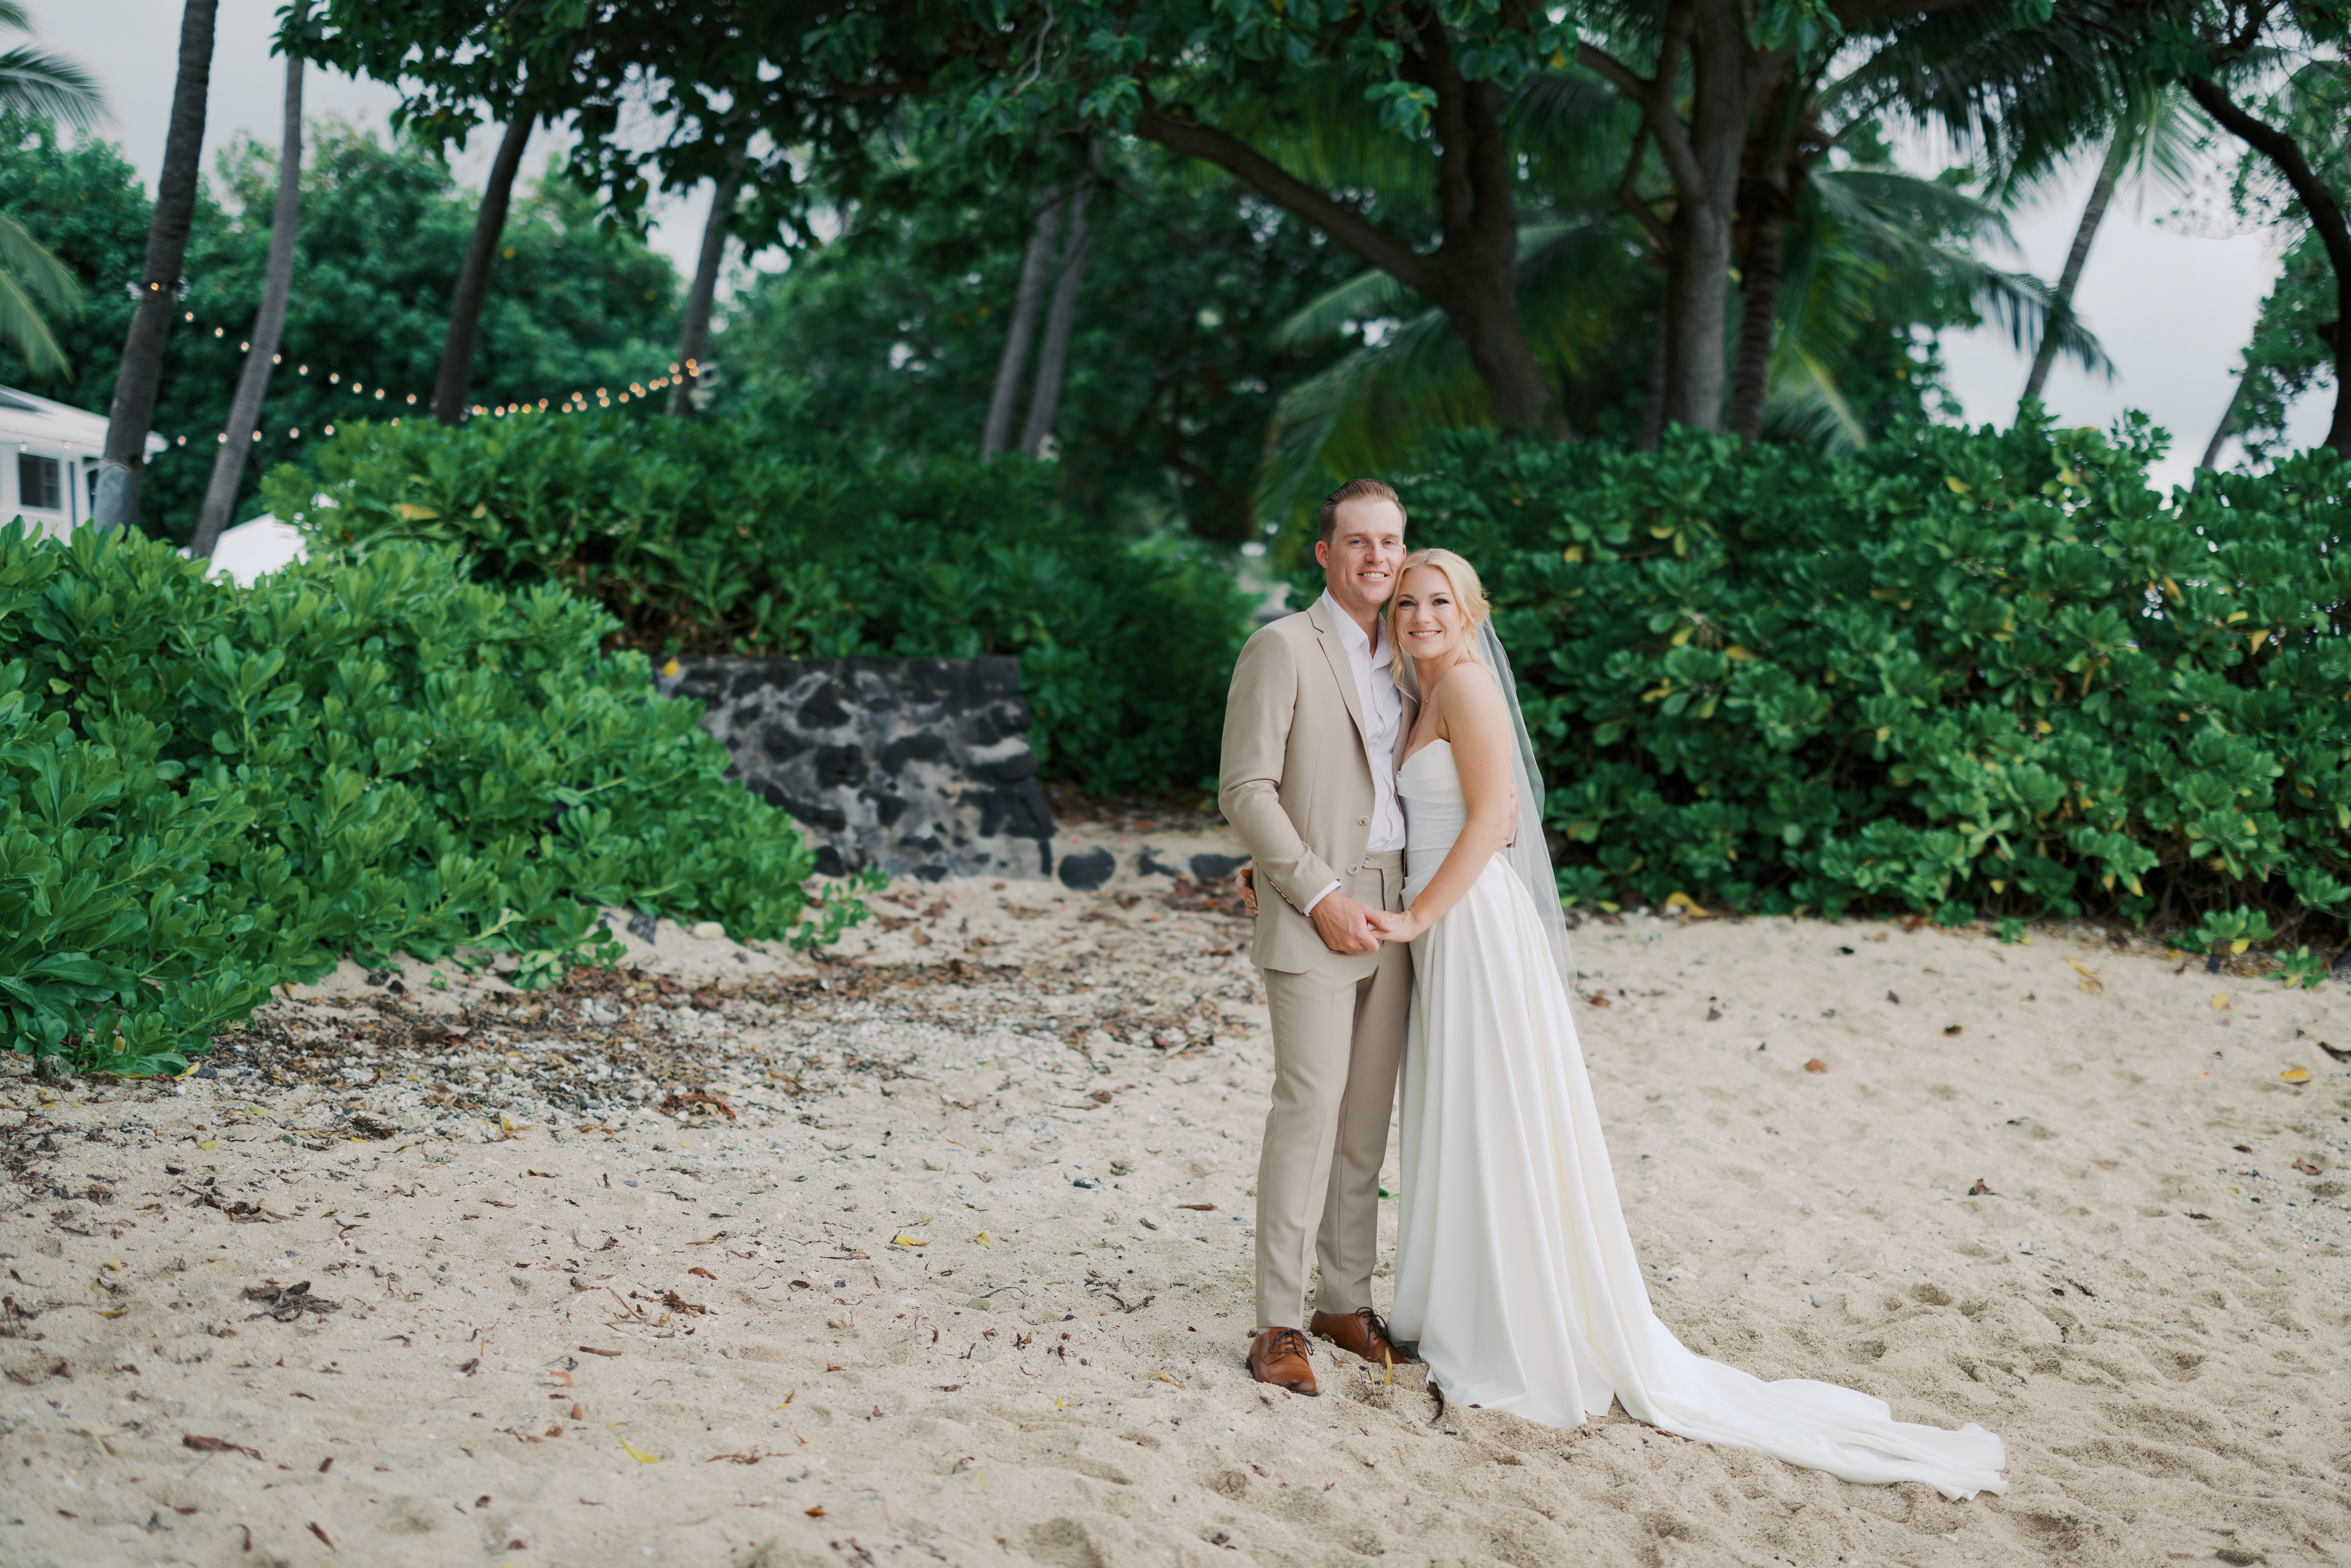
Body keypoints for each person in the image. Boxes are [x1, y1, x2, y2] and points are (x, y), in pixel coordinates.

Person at [1354, 546, 2007, 1499]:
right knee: (1462, 1114)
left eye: (1438, 601)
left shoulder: (1465, 689)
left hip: (1474, 927)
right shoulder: (1418, 696)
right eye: (1407, 601)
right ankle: (1460, 1303)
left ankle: (1512, 1324)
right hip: (1444, 934)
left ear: (1471, 611)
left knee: (1495, 1111)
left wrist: (1417, 916)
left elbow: (1494, 820)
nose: (1419, 615)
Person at [1216, 478, 1418, 1396]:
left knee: (1366, 1128)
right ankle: (1280, 1323)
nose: (1378, 558)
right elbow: (1247, 790)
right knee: (1308, 1111)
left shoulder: (1415, 656)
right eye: (1359, 542)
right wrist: (1316, 891)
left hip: (1402, 912)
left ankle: (1344, 1299)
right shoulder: (1282, 647)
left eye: (1392, 542)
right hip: (1315, 909)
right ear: (1325, 554)